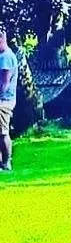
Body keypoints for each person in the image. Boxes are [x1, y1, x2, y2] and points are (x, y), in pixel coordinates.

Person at [0, 25, 16, 174]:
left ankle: (6, 163)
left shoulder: (6, 57)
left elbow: (5, 83)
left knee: (3, 132)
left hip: (3, 101)